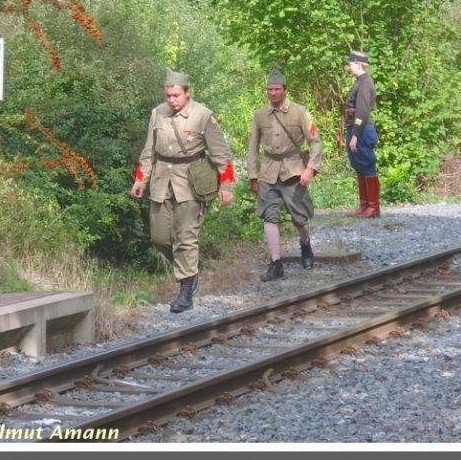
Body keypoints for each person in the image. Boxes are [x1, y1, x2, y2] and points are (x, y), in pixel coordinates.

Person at [130, 69, 236, 313]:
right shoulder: (157, 114)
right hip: (160, 181)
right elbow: (149, 151)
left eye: (176, 95)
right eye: (168, 95)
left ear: (187, 93)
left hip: (190, 183)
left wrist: (227, 185)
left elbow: (222, 155)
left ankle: (186, 290)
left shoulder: (203, 116)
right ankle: (190, 266)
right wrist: (140, 180)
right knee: (159, 238)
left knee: (185, 238)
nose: (172, 100)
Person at [247, 69, 323, 281]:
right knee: (269, 215)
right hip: (269, 172)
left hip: (294, 171)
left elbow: (315, 142)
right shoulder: (259, 115)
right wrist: (253, 176)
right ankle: (276, 262)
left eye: (277, 89)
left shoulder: (300, 112)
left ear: (285, 90)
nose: (273, 93)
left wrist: (310, 169)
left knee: (299, 218)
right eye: (270, 89)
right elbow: (252, 148)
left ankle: (305, 244)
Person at [345, 49, 380, 218]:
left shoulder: (365, 83)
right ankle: (364, 205)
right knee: (359, 165)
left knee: (366, 164)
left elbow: (362, 112)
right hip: (355, 128)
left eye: (350, 63)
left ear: (358, 64)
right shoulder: (360, 81)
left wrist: (355, 135)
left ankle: (373, 208)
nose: (348, 66)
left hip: (362, 129)